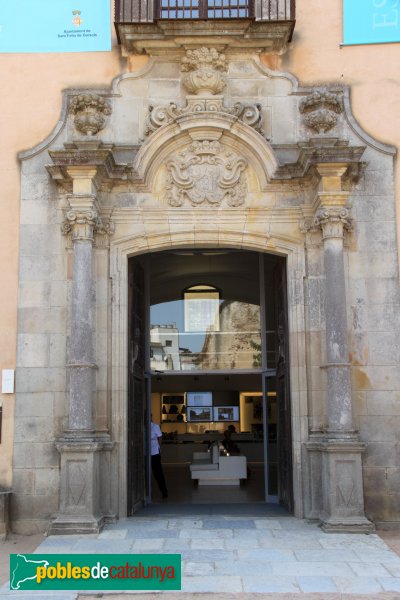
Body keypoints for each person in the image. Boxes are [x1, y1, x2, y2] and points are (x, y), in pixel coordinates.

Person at [151, 418, 168, 499]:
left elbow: (160, 437)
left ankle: (164, 492)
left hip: (155, 453)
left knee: (158, 473)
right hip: (144, 454)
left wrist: (159, 447)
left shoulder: (155, 426)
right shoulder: (141, 427)